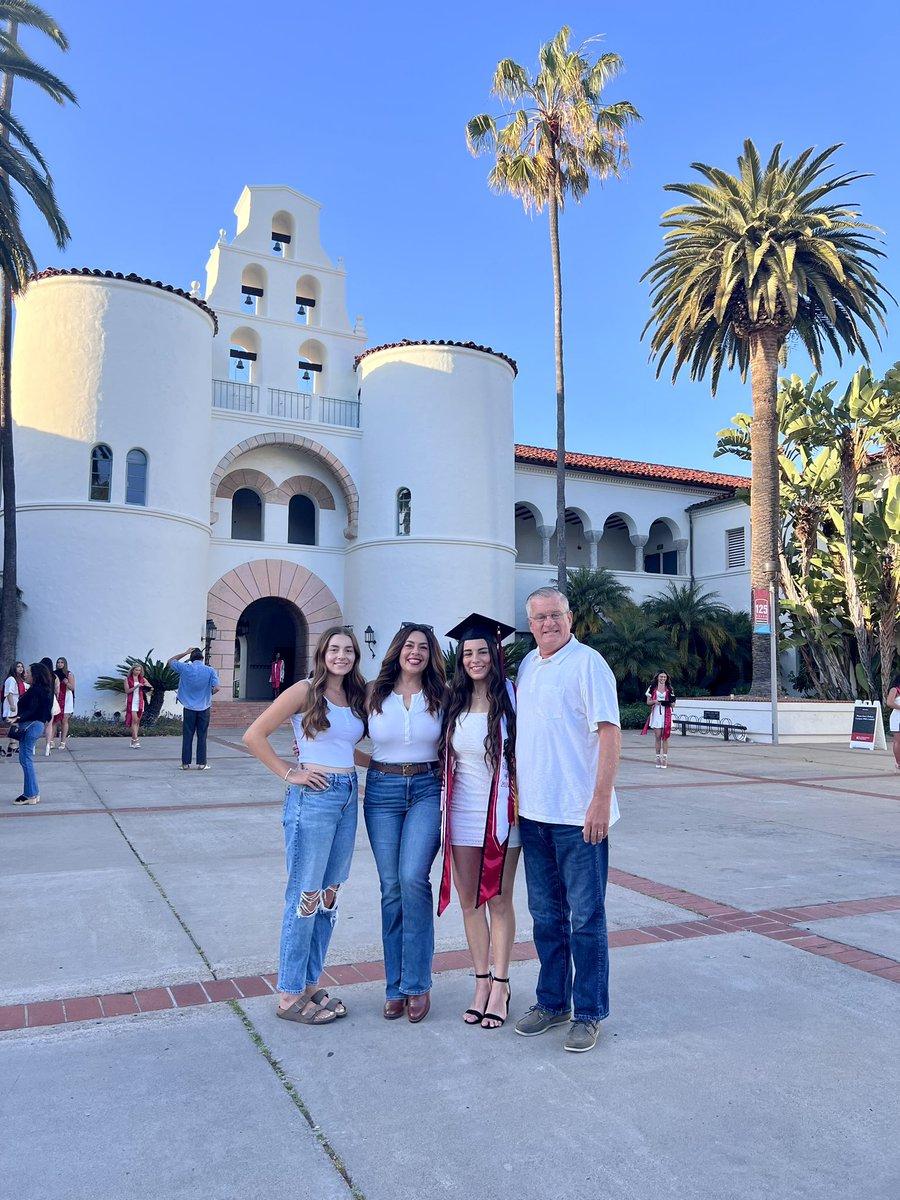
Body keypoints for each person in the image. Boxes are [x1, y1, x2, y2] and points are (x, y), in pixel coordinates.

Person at [514, 586, 621, 1055]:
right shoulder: (527, 665)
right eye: (539, 618)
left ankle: (590, 1012)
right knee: (545, 918)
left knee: (586, 918)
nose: (548, 624)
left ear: (570, 617)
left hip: (579, 817)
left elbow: (610, 733)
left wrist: (600, 801)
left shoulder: (588, 664)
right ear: (530, 623)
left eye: (555, 615)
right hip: (534, 815)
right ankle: (552, 1001)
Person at [243, 626, 367, 1025]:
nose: (341, 656)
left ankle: (310, 982)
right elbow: (253, 735)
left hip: (348, 793)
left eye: (348, 650)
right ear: (322, 653)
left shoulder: (355, 696)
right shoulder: (304, 690)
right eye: (334, 649)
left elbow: (346, 749)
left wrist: (384, 766)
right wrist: (287, 773)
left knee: (329, 895)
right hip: (314, 795)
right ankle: (289, 993)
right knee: (304, 894)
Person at [361, 623, 446, 1023]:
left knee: (413, 878)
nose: (415, 652)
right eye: (409, 645)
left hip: (428, 789)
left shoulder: (443, 696)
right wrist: (309, 747)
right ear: (397, 650)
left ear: (431, 655)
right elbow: (341, 734)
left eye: (423, 647)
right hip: (381, 792)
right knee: (391, 887)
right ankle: (394, 985)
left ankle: (418, 983)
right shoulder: (373, 694)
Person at [438, 613, 519, 1029]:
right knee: (471, 902)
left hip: (503, 813)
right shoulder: (453, 698)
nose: (475, 659)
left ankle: (502, 985)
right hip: (461, 813)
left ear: (494, 654)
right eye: (468, 653)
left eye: (482, 651)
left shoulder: (511, 695)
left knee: (500, 900)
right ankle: (481, 982)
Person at [8, 662, 54, 804]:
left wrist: (18, 717)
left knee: (26, 760)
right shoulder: (42, 690)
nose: (25, 674)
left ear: (35, 676)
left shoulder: (36, 691)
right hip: (35, 725)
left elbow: (32, 710)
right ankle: (34, 793)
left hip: (31, 726)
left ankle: (30, 795)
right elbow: (46, 713)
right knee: (26, 760)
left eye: (28, 672)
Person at [166, 647, 220, 770]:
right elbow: (217, 687)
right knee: (202, 735)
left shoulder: (185, 668)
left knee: (187, 735)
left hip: (189, 707)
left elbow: (170, 661)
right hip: (204, 707)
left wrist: (185, 652)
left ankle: (185, 764)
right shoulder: (210, 670)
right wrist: (208, 694)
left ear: (191, 658)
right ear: (202, 658)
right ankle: (202, 763)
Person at [642, 670, 676, 768]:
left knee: (665, 737)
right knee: (658, 736)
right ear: (657, 677)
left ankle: (665, 758)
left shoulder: (670, 688)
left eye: (664, 677)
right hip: (657, 713)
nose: (662, 678)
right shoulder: (652, 688)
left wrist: (670, 702)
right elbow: (648, 702)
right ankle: (657, 758)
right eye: (661, 677)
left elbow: (673, 703)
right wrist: (654, 701)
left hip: (667, 714)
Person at [125, 662, 153, 747]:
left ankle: (133, 740)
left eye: (139, 670)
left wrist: (147, 687)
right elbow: (127, 691)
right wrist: (136, 686)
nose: (138, 672)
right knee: (134, 721)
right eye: (136, 670)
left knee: (137, 721)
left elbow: (151, 688)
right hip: (131, 701)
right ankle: (136, 740)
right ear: (132, 670)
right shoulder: (127, 679)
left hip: (140, 701)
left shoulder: (142, 679)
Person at [51, 657, 76, 750]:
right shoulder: (53, 674)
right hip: (56, 697)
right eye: (58, 662)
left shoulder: (69, 674)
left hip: (66, 698)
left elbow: (72, 687)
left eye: (62, 662)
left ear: (65, 664)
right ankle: (51, 741)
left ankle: (63, 742)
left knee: (64, 720)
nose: (60, 664)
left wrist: (66, 682)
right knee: (54, 720)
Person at [3, 662, 26, 756]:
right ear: (14, 668)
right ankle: (13, 744)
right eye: (18, 666)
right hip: (11, 701)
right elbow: (9, 693)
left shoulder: (19, 679)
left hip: (17, 701)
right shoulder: (11, 679)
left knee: (15, 723)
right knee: (12, 722)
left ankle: (12, 744)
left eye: (21, 666)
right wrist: (12, 704)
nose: (20, 668)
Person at [887, 675, 900, 772]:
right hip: (897, 718)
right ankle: (899, 764)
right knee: (897, 741)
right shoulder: (895, 690)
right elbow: (889, 703)